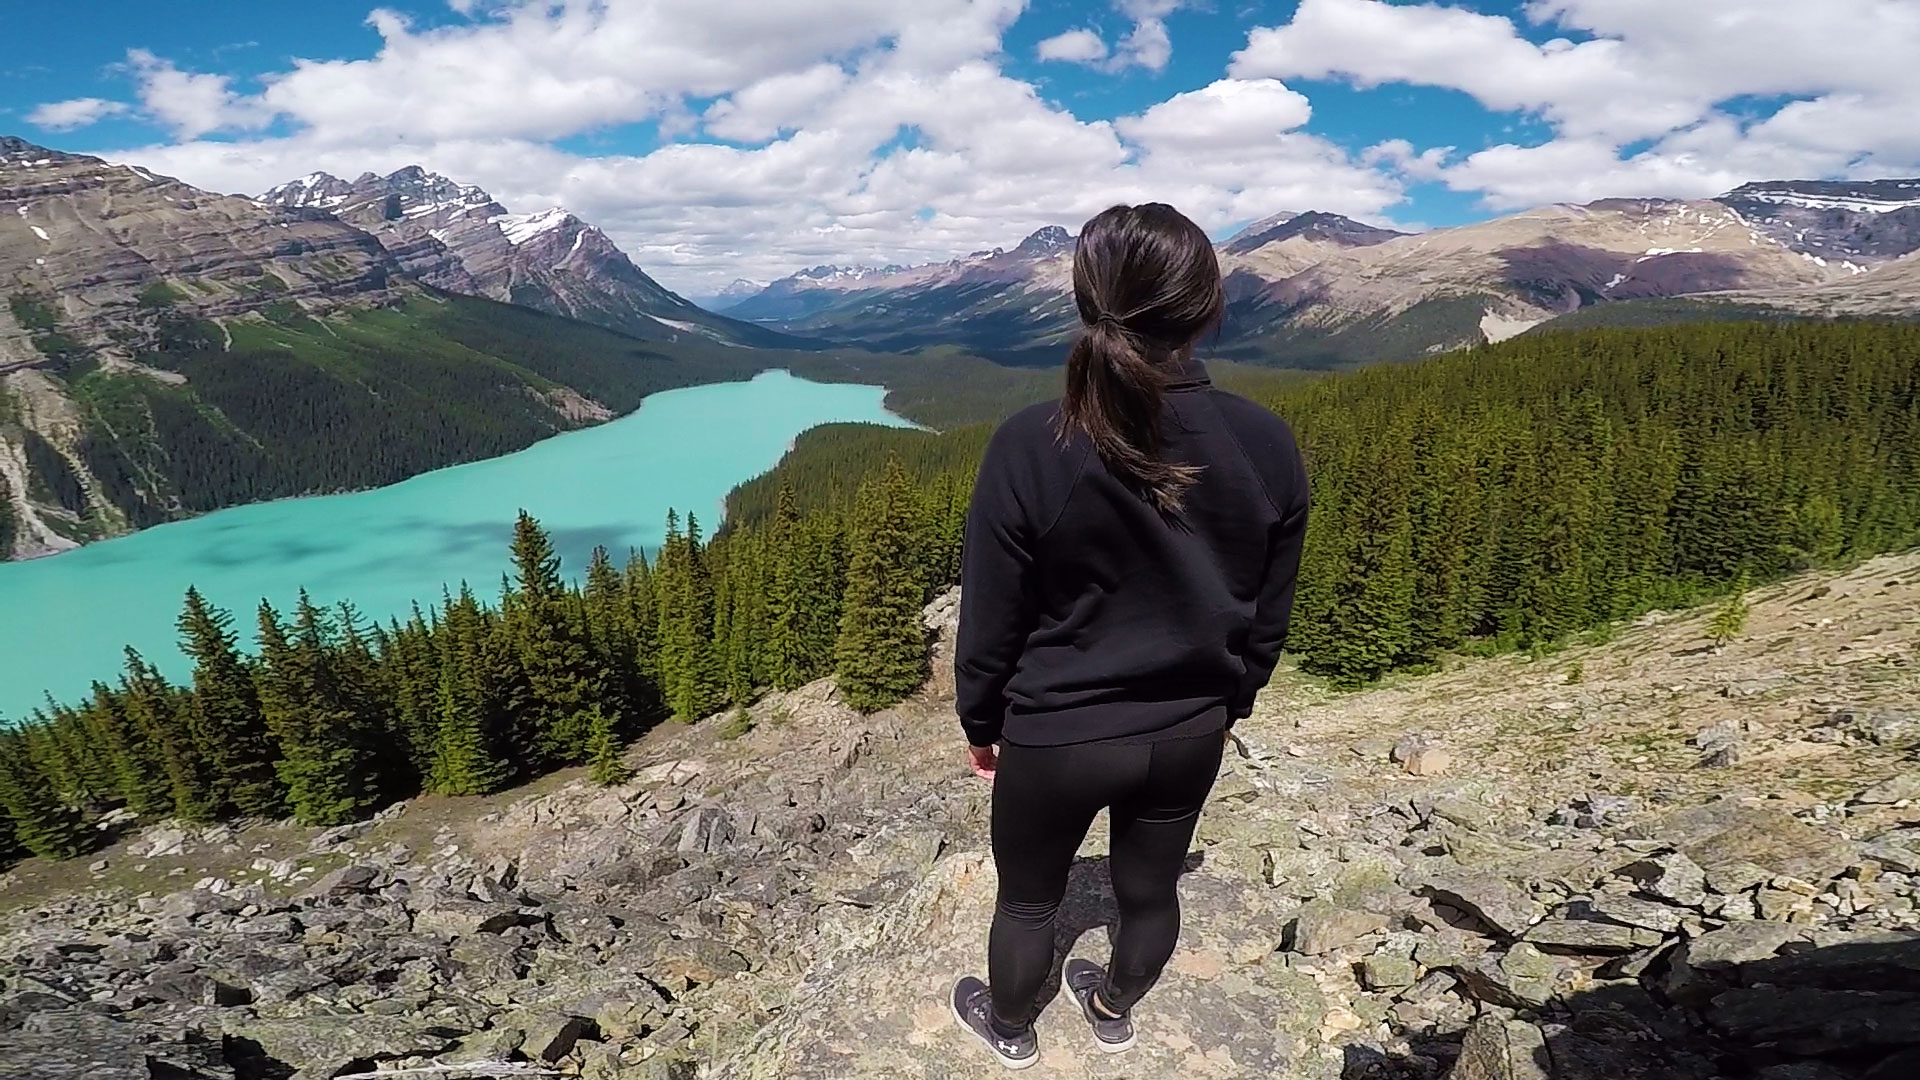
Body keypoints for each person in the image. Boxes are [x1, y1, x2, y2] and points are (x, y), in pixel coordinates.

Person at [948, 202, 1310, 1069]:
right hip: (1189, 732)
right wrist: (1233, 701)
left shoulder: (1033, 444)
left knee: (1030, 903)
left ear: (1085, 302)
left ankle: (1010, 1030)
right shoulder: (1267, 442)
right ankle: (1110, 1010)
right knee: (1147, 895)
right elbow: (1268, 610)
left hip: (1057, 735)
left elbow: (991, 614)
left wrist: (981, 721)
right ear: (1210, 304)